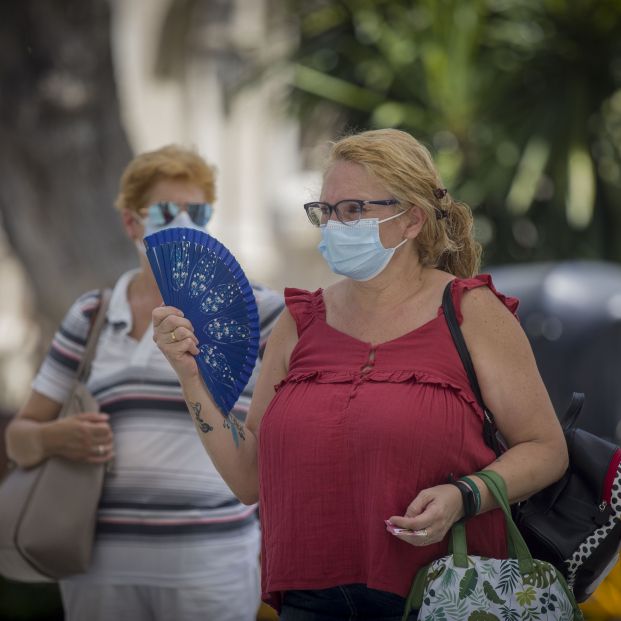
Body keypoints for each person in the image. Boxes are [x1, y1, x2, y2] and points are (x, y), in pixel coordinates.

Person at [152, 129, 569, 620]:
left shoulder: (471, 312)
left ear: (412, 219)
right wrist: (190, 378)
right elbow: (248, 479)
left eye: (352, 210)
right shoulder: (299, 320)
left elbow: (546, 449)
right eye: (324, 211)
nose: (333, 225)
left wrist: (464, 496)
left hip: (445, 594)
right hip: (310, 601)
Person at [5, 145, 284, 621]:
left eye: (196, 210)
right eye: (163, 210)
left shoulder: (259, 314)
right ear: (131, 223)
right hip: (98, 569)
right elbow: (18, 439)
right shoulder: (91, 315)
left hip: (214, 566)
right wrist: (56, 437)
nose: (181, 221)